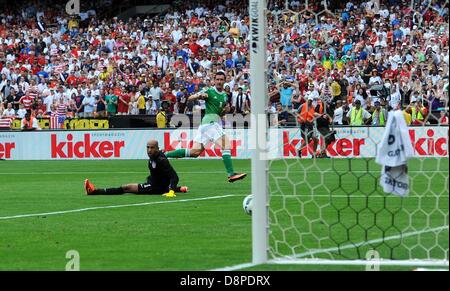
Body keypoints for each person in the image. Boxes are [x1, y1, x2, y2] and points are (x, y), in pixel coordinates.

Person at [165, 71, 247, 183]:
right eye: (217, 79)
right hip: (210, 123)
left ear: (224, 81)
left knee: (194, 152)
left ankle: (165, 154)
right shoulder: (209, 91)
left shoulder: (224, 96)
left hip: (207, 124)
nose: (219, 81)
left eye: (221, 79)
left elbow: (219, 113)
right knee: (226, 145)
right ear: (214, 80)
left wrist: (225, 111)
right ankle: (231, 174)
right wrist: (199, 95)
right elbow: (190, 98)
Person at [84, 140, 188, 197]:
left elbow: (174, 176)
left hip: (154, 187)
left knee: (127, 188)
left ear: (157, 148)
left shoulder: (161, 160)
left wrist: (171, 191)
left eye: (152, 147)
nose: (149, 150)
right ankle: (179, 189)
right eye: (148, 147)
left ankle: (94, 191)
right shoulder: (153, 157)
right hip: (157, 184)